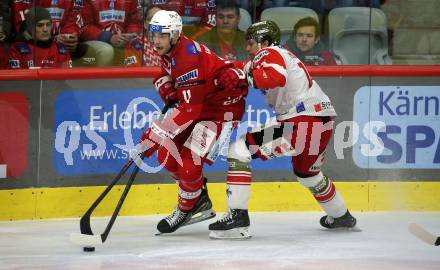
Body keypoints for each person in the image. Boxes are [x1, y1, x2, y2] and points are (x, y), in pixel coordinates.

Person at [208, 20, 357, 239]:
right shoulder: (265, 59)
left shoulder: (269, 52)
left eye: (250, 42)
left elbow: (275, 77)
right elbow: (231, 70)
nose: (247, 47)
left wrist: (243, 78)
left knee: (239, 150)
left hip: (300, 122)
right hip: (321, 122)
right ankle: (341, 215)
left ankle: (237, 218)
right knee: (308, 174)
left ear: (265, 42)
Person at [138, 10, 248, 234]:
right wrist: (164, 83)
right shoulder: (173, 48)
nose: (155, 41)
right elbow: (167, 70)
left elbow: (190, 109)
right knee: (166, 155)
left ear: (176, 34)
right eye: (153, 34)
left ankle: (187, 206)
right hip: (201, 104)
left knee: (188, 161)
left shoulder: (187, 57)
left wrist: (156, 133)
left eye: (161, 35)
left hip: (220, 110)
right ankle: (198, 200)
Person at [80, 0, 143, 66]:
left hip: (123, 40)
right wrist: (109, 37)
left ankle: (133, 75)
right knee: (106, 50)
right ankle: (101, 76)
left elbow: (135, 22)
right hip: (95, 41)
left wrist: (129, 36)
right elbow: (84, 26)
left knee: (137, 45)